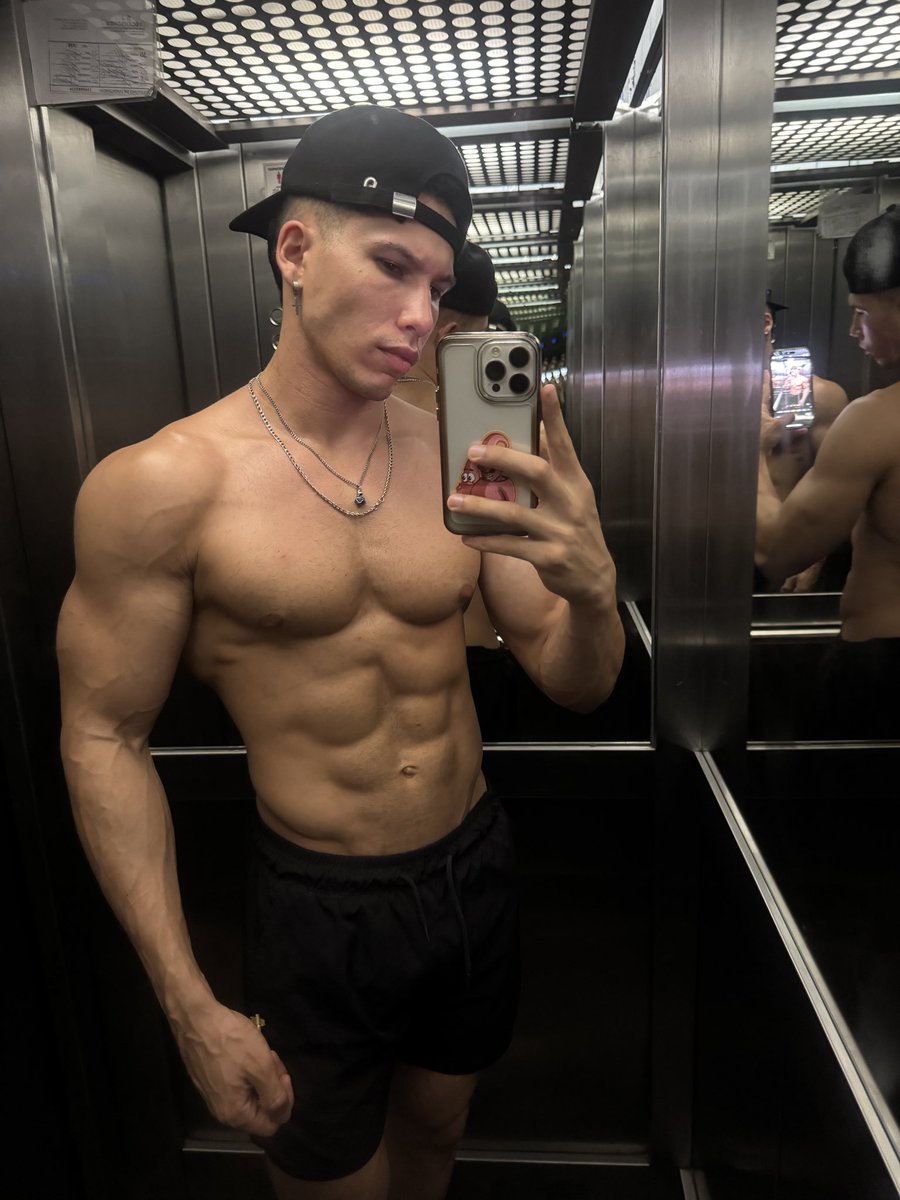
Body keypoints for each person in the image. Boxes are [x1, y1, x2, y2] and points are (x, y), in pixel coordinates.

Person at [56, 104, 624, 1200]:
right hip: (319, 905)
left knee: (439, 1137)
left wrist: (593, 592)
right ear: (297, 250)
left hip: (473, 868)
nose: (421, 315)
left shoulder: (466, 457)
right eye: (393, 267)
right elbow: (101, 737)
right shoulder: (164, 485)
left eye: (438, 285)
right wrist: (187, 1002)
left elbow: (574, 680)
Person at [757, 205, 900, 737]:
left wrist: (815, 553)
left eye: (862, 313)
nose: (854, 329)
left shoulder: (844, 406)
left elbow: (781, 543)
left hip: (872, 656)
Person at [757, 291, 848, 591]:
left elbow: (838, 487)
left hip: (784, 557)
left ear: (766, 322)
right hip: (711, 554)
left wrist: (814, 558)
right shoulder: (698, 395)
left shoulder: (821, 397)